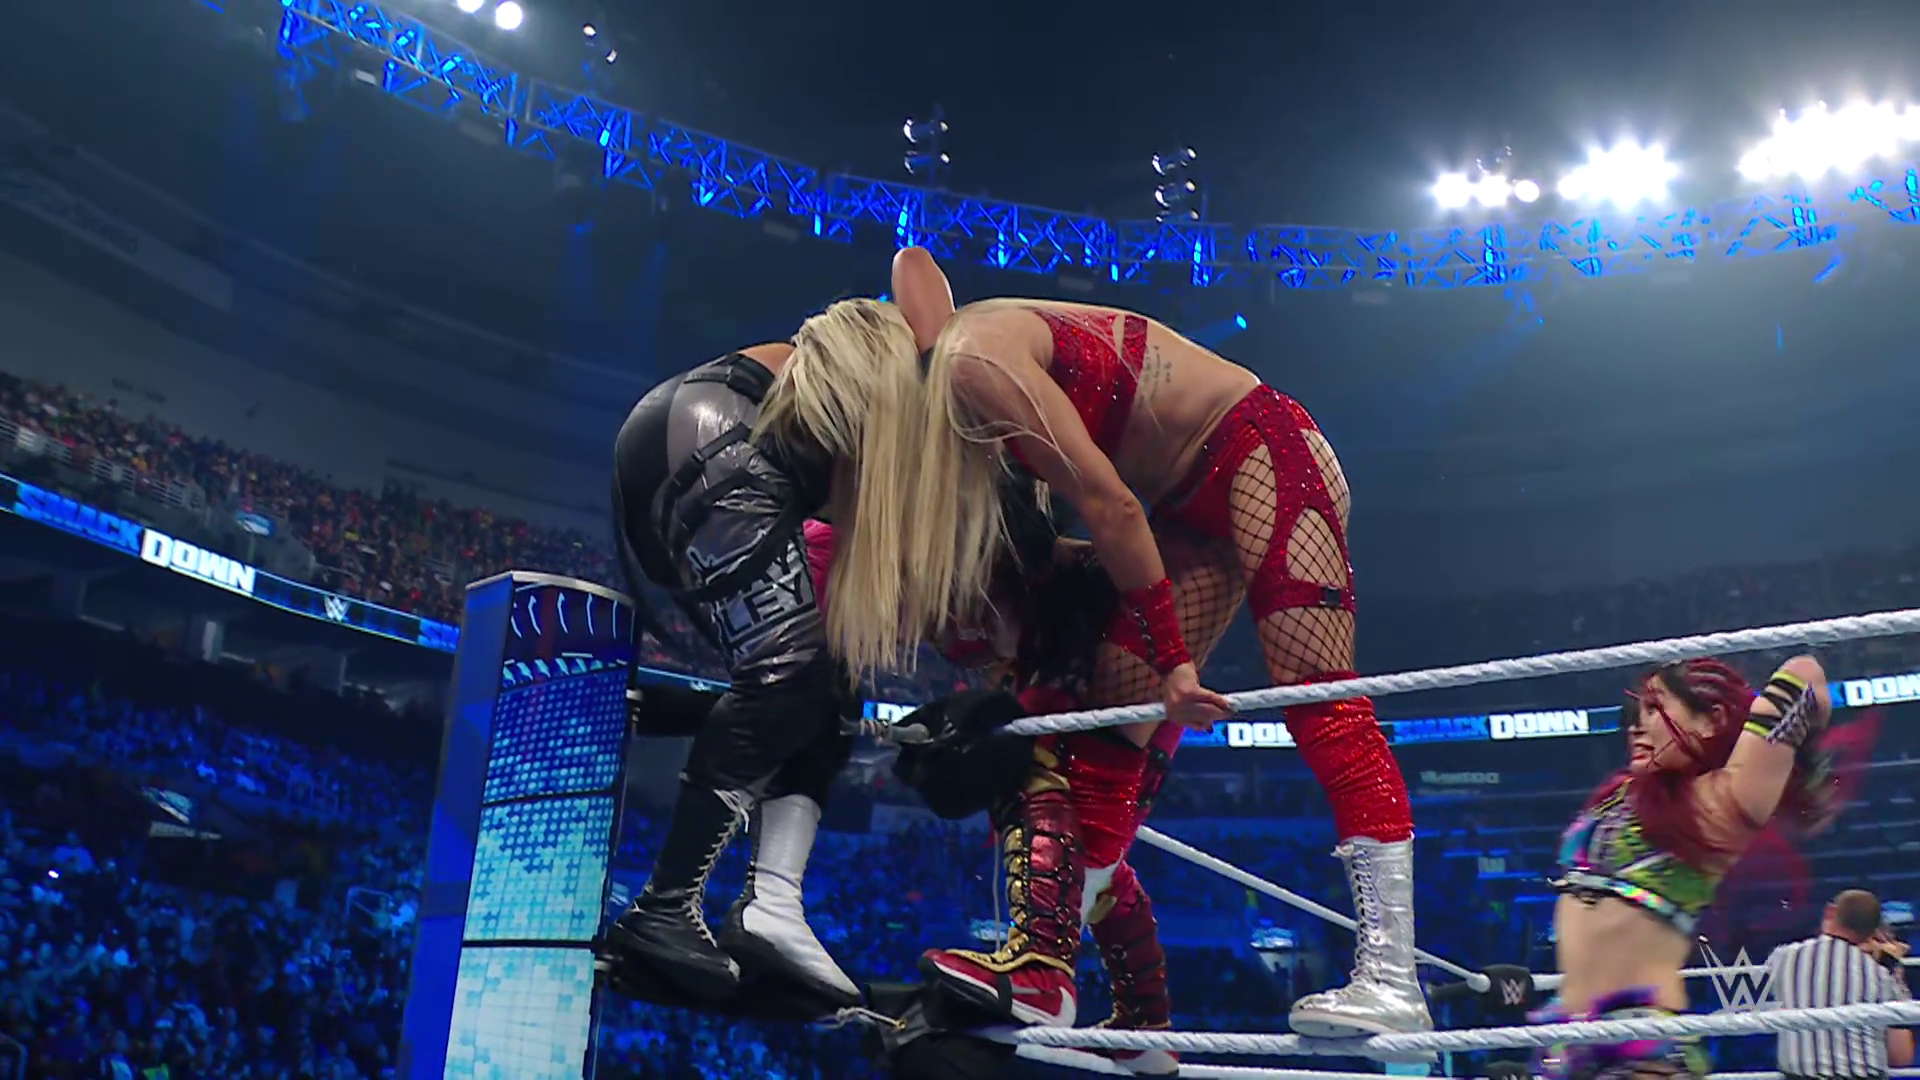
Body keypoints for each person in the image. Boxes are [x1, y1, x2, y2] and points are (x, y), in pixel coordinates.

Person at [756, 248, 1422, 1037]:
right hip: (1183, 513)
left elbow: (1111, 507)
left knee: (1317, 694)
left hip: (1262, 444)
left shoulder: (970, 364)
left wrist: (1174, 663)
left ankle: (1393, 977)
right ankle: (1063, 983)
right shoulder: (946, 397)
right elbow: (914, 271)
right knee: (1101, 742)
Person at [600, 336, 861, 1011]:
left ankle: (773, 904)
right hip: (713, 432)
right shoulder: (955, 398)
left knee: (830, 695)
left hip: (704, 450)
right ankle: (665, 906)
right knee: (795, 674)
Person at [1539, 654, 1840, 1080]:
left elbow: (1804, 671)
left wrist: (1808, 728)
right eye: (1637, 712)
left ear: (1711, 720)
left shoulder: (1721, 801)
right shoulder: (1623, 795)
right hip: (1569, 1038)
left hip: (1639, 1046)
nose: (1636, 726)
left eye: (1655, 709)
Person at [1767, 889, 1914, 1080]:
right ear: (1873, 931)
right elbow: (1901, 1057)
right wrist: (1889, 964)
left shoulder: (1783, 958)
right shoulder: (1882, 974)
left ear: (1830, 911)